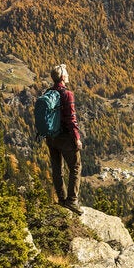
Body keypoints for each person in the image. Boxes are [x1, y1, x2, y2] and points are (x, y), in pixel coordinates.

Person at [46, 63, 83, 214]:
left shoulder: (48, 92)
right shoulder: (67, 94)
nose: (68, 75)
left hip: (51, 137)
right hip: (65, 137)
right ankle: (72, 201)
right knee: (75, 167)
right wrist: (77, 138)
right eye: (66, 73)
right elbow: (71, 119)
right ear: (62, 77)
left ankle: (61, 200)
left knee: (57, 169)